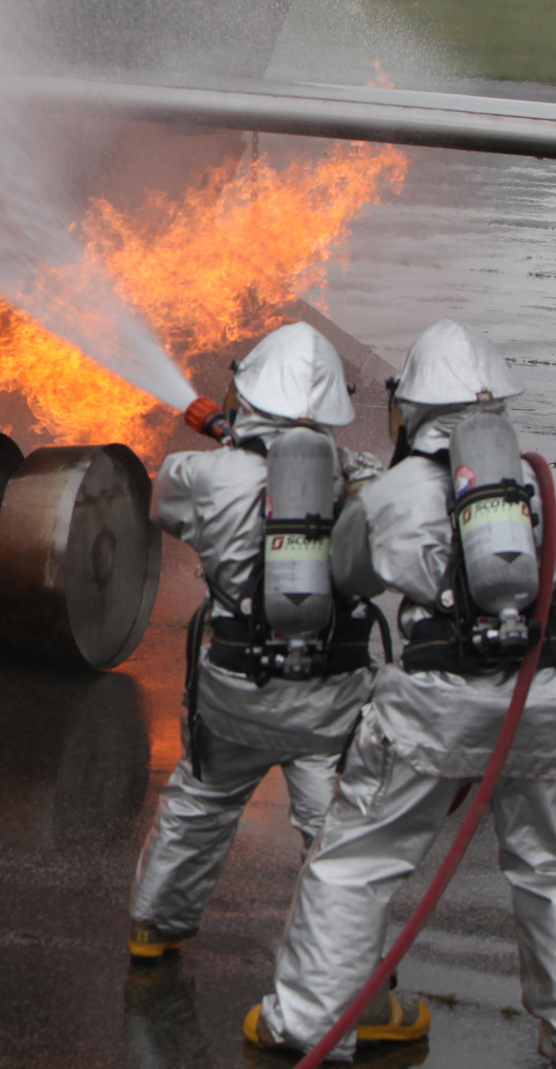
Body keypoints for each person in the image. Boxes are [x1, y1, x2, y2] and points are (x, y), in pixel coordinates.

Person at [247, 318, 556, 1067]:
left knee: (356, 862)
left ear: (412, 408)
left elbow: (344, 577)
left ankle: (310, 1023)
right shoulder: (551, 488)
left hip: (430, 705)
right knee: (554, 871)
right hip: (540, 700)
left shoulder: (397, 493)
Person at [127, 322, 385, 972]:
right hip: (330, 699)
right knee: (334, 835)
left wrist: (229, 439)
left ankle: (155, 929)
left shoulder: (200, 473)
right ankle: (344, 971)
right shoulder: (360, 480)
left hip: (236, 688)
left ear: (251, 395)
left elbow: (170, 510)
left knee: (199, 803)